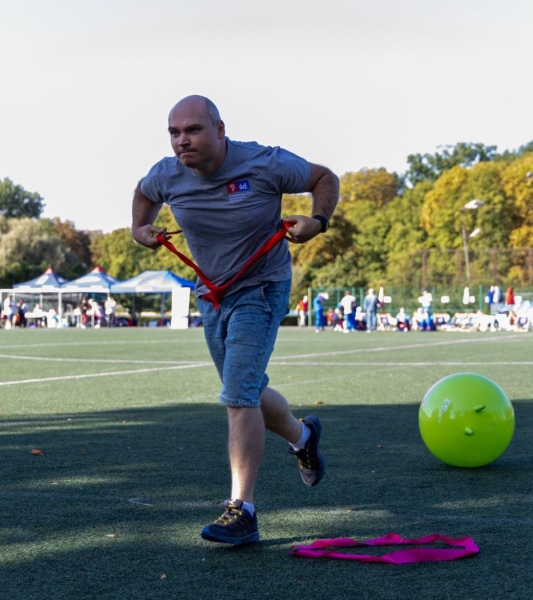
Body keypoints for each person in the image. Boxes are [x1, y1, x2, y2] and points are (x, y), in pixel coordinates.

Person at [130, 95, 339, 546]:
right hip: (212, 292)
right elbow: (144, 194)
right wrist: (139, 230)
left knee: (237, 392)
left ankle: (241, 510)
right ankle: (304, 437)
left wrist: (318, 221)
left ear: (220, 130)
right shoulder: (167, 173)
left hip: (260, 287)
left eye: (193, 130)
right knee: (247, 389)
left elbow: (324, 177)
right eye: (174, 132)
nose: (182, 141)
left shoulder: (264, 163)